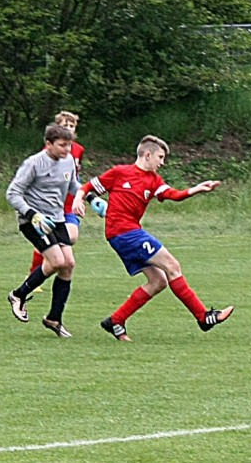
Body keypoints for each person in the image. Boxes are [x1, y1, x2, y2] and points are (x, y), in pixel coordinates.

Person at [71, 135, 234, 342]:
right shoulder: (120, 173)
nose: (162, 162)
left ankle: (116, 321)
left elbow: (174, 195)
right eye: (160, 157)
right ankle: (203, 317)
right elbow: (86, 187)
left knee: (158, 281)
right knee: (172, 266)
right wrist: (78, 199)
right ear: (147, 155)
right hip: (124, 233)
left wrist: (197, 189)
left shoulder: (154, 180)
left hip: (128, 234)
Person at [6, 123, 82, 338]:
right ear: (48, 144)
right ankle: (18, 295)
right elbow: (12, 193)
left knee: (68, 265)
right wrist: (33, 215)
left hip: (57, 219)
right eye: (62, 145)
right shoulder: (33, 163)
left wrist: (91, 197)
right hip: (33, 221)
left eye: (69, 145)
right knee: (57, 262)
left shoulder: (68, 161)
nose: (67, 150)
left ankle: (54, 318)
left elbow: (73, 185)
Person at [26, 111, 106, 290]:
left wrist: (84, 196)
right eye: (65, 125)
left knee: (71, 236)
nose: (69, 129)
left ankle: (44, 256)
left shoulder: (78, 150)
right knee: (56, 245)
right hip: (51, 204)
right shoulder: (48, 152)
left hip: (69, 201)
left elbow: (74, 177)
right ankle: (33, 274)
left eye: (72, 126)